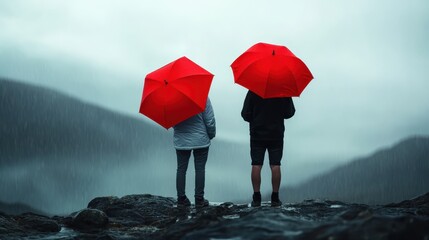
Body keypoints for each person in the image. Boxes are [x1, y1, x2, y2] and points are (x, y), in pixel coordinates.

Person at [241, 90, 295, 207]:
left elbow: (245, 114)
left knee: (256, 164)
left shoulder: (253, 90)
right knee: (275, 165)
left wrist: (256, 119)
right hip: (276, 133)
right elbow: (289, 113)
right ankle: (275, 198)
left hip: (257, 134)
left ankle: (256, 198)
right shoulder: (282, 91)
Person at [173, 98, 216, 208]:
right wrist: (211, 134)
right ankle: (199, 199)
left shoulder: (173, 99)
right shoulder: (202, 95)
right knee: (200, 169)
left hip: (181, 140)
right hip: (200, 139)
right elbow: (209, 119)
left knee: (181, 169)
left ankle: (181, 199)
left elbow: (171, 121)